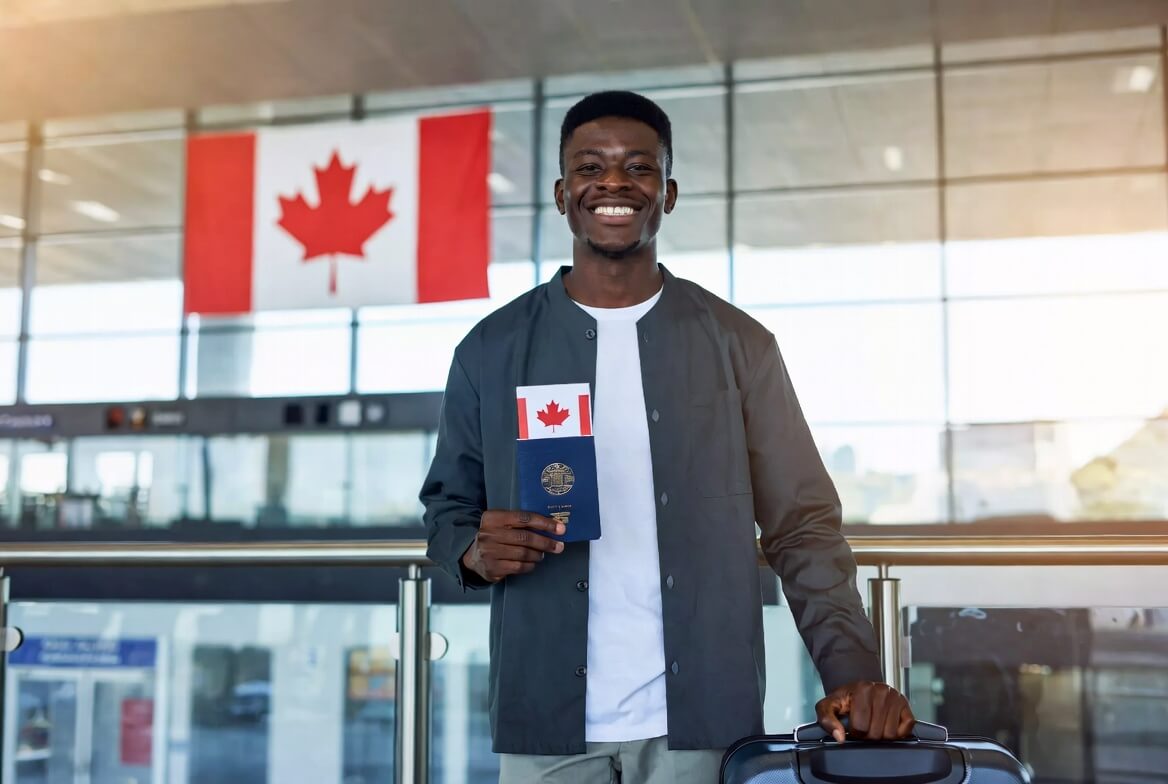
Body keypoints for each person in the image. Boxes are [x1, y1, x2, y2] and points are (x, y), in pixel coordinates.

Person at [420, 90, 915, 783]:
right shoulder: (492, 350)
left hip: (703, 726)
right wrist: (474, 548)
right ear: (562, 195)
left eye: (639, 169)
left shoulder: (740, 346)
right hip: (546, 728)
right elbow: (445, 511)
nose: (614, 184)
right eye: (591, 168)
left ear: (669, 193)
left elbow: (801, 525)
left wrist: (855, 671)